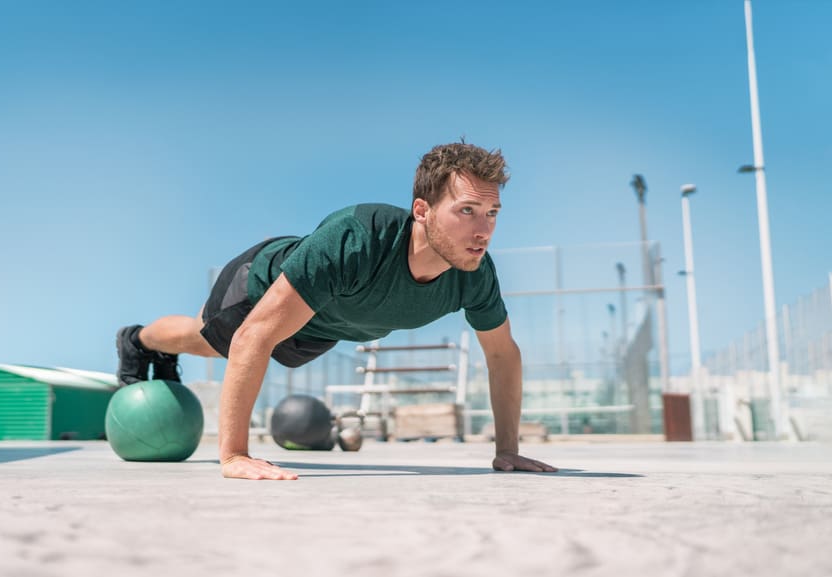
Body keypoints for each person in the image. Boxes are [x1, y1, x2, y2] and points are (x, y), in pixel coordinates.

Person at [116, 142, 558, 480]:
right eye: (467, 211)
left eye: (492, 212)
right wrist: (234, 455)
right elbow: (254, 336)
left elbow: (502, 354)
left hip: (325, 323)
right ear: (421, 211)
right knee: (208, 342)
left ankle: (150, 344)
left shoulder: (474, 272)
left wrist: (507, 449)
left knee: (231, 346)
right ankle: (138, 341)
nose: (484, 230)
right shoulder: (357, 240)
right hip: (264, 284)